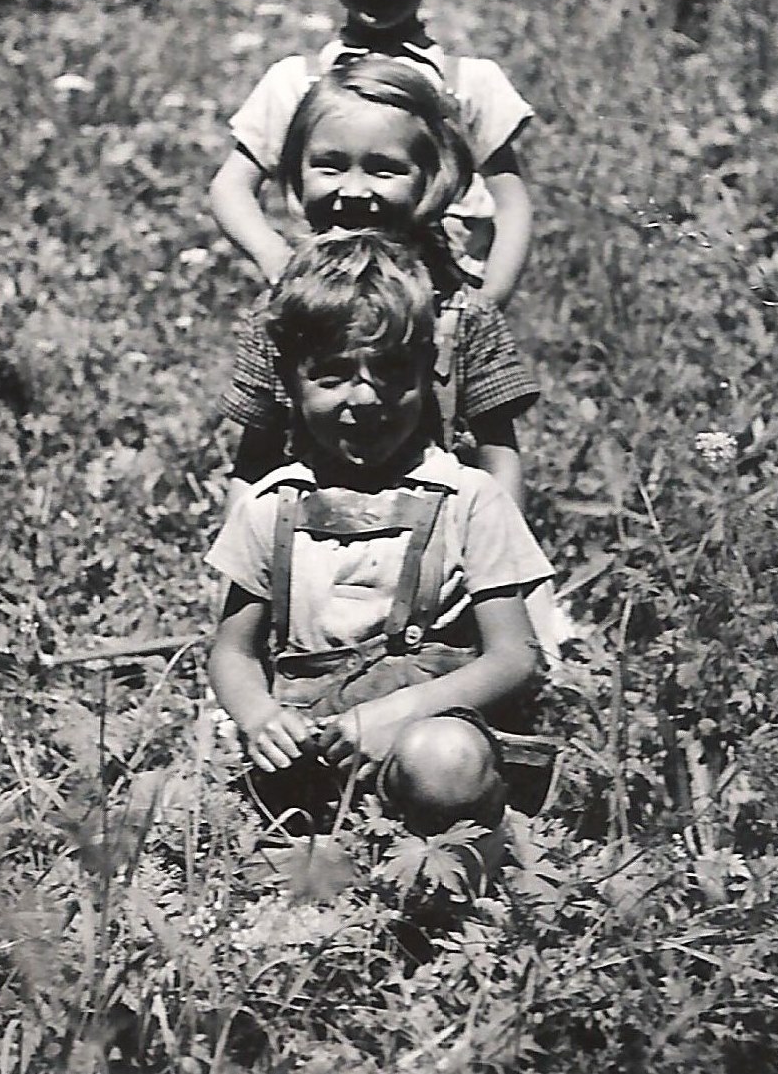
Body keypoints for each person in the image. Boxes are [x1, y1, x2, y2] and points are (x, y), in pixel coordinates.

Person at [205, 230, 553, 873]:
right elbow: (233, 651)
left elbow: (514, 658)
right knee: (174, 804)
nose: (365, 398)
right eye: (333, 375)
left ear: (427, 374)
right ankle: (327, 863)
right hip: (311, 748)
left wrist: (401, 712)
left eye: (391, 372)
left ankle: (455, 871)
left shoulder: (468, 498)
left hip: (425, 731)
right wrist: (257, 715)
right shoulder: (270, 505)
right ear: (290, 384)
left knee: (444, 760)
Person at [209, 0, 534, 307]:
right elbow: (231, 186)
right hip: (329, 307)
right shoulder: (295, 82)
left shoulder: (470, 84)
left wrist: (487, 303)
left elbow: (512, 205)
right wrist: (276, 260)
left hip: (445, 310)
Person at [219, 56, 538, 513]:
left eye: (383, 169)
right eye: (329, 166)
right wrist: (241, 552)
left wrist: (503, 548)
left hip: (442, 543)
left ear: (433, 180)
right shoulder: (282, 312)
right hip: (312, 540)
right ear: (295, 174)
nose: (353, 190)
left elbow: (498, 455)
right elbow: (255, 458)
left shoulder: (463, 314)